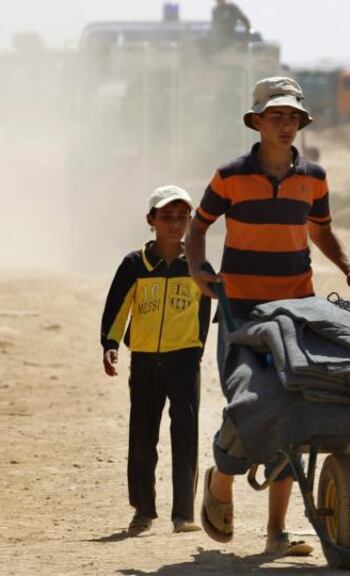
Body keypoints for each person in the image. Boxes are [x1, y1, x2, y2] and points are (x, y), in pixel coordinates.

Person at [185, 76, 350, 555]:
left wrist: (348, 267)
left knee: (299, 407)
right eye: (276, 116)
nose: (286, 124)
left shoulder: (314, 176)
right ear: (257, 122)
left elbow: (322, 231)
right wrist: (197, 269)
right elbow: (198, 226)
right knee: (250, 403)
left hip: (297, 308)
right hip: (240, 310)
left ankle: (276, 534)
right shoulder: (229, 176)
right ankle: (222, 480)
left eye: (292, 116)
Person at [100, 185, 212, 536]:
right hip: (146, 360)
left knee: (185, 434)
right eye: (166, 216)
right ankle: (143, 511)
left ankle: (184, 515)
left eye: (182, 217)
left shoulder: (197, 264)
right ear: (151, 220)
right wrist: (111, 343)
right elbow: (118, 306)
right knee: (142, 435)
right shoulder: (135, 264)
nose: (175, 224)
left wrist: (197, 350)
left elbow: (205, 309)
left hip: (183, 361)